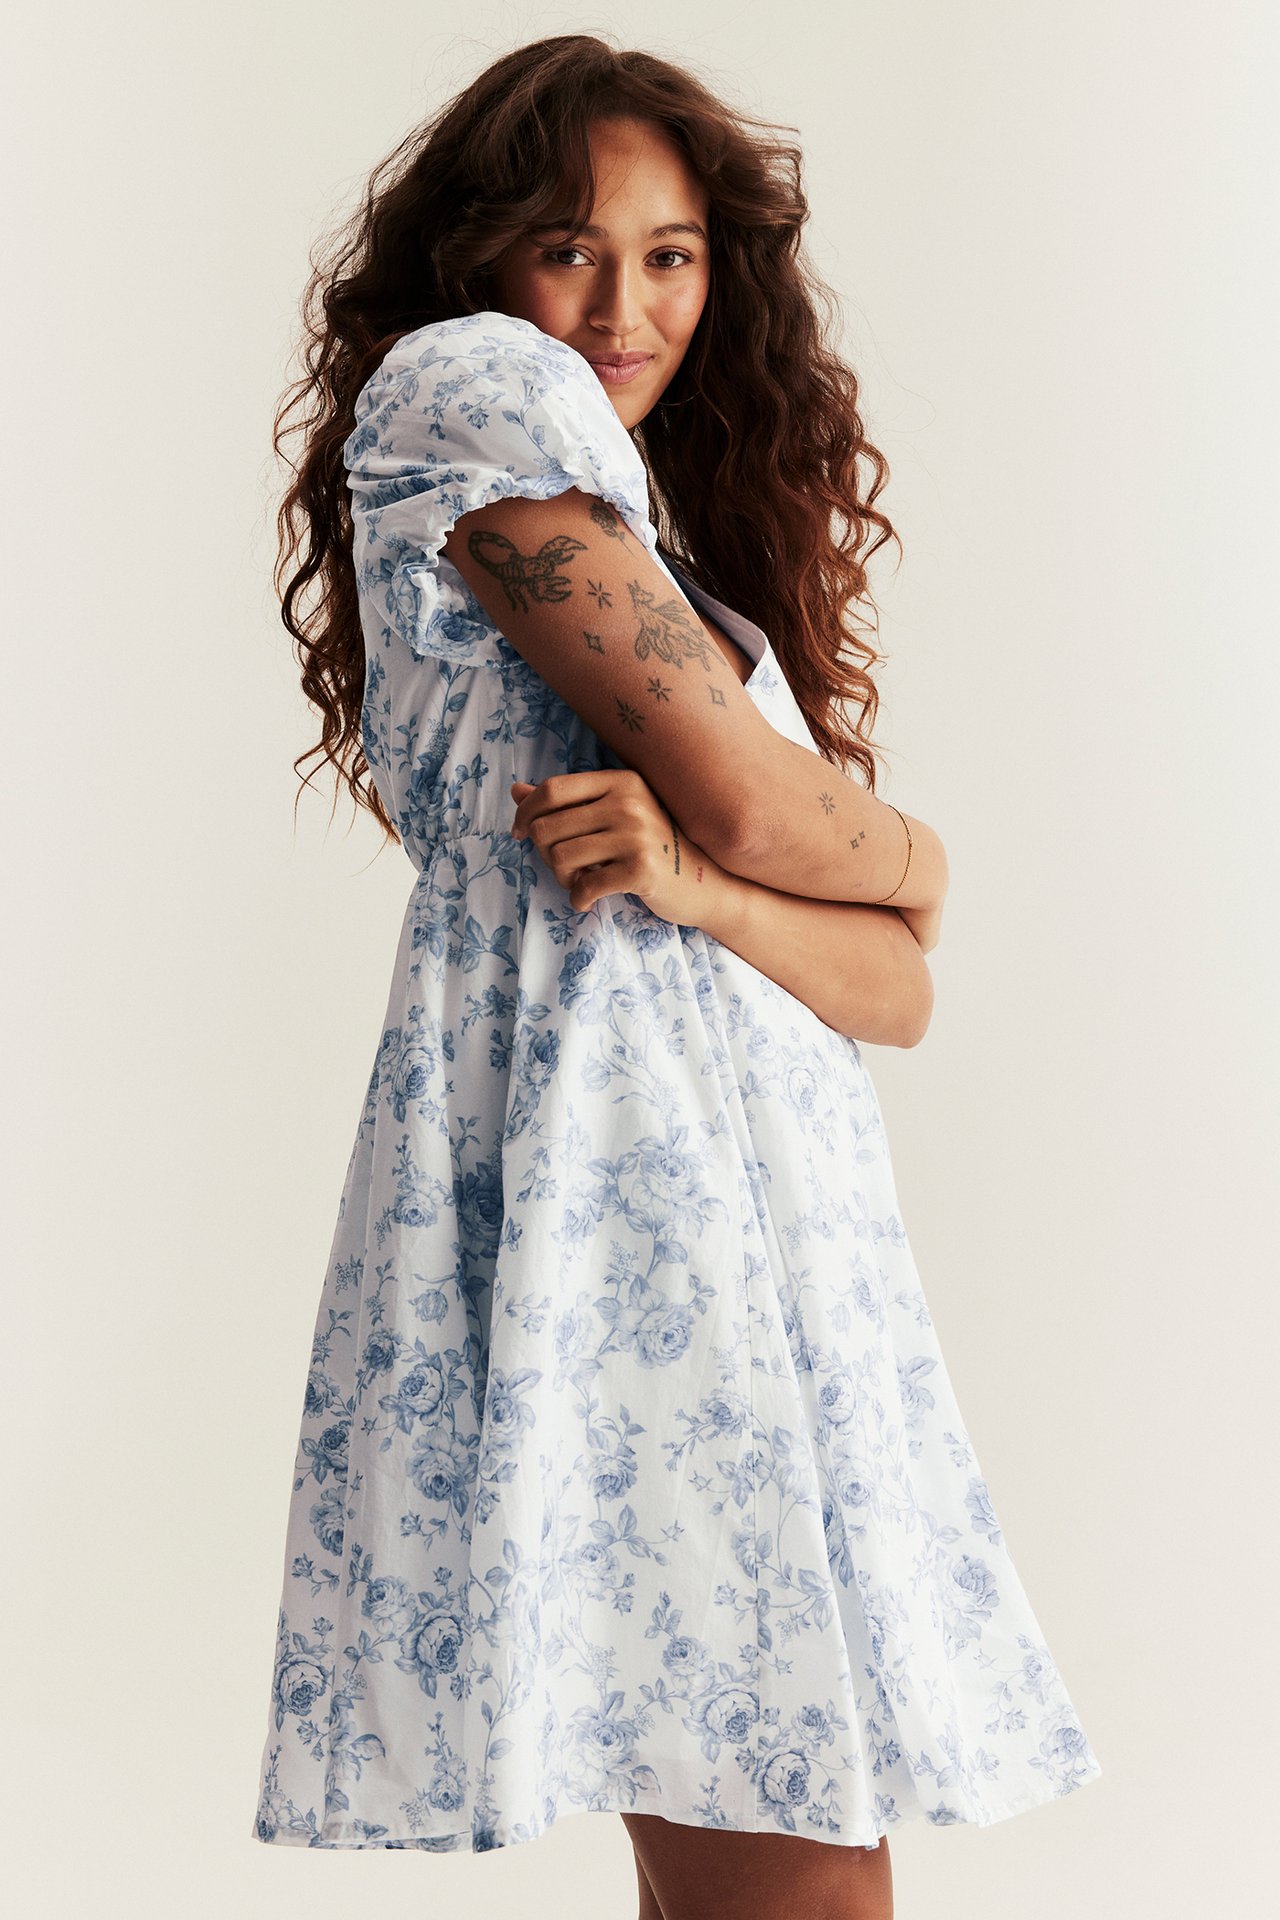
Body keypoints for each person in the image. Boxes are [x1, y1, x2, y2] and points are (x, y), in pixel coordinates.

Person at [248, 34, 1102, 1918]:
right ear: (478, 265)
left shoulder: (639, 530)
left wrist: (727, 894)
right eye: (569, 248)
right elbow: (759, 804)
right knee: (785, 1855)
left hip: (750, 1225)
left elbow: (893, 997)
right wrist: (920, 860)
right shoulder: (474, 398)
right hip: (627, 1219)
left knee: (761, 1835)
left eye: (672, 254)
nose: (622, 305)